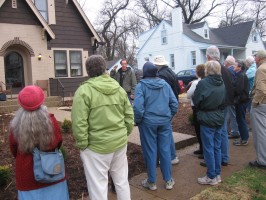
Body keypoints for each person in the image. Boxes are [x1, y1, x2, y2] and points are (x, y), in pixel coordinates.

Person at [71, 55, 134, 200]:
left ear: (88, 71)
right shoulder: (117, 88)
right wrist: (124, 134)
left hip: (96, 148)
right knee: (122, 182)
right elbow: (129, 116)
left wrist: (83, 145)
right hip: (118, 144)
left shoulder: (84, 91)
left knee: (98, 187)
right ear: (104, 68)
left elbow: (79, 123)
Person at [9, 86, 69, 200]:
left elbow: (14, 149)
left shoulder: (15, 125)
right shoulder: (51, 120)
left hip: (27, 175)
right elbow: (58, 142)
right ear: (41, 101)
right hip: (52, 171)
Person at [133, 61, 178, 190]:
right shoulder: (165, 85)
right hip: (164, 122)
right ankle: (168, 181)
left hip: (148, 123)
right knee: (165, 150)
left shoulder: (141, 86)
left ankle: (152, 182)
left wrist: (138, 120)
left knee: (150, 151)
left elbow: (138, 107)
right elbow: (174, 104)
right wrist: (169, 116)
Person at [193, 61, 226, 185]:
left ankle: (211, 176)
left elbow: (197, 101)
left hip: (207, 117)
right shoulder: (222, 82)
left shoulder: (203, 83)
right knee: (217, 147)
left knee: (209, 148)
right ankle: (217, 174)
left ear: (208, 70)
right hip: (218, 116)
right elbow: (224, 101)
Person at [201, 46, 234, 167]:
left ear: (208, 56)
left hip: (216, 107)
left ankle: (214, 159)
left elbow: (206, 91)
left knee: (213, 135)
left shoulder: (211, 70)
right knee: (223, 131)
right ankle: (224, 157)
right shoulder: (225, 69)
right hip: (225, 104)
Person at [154, 55, 180, 165]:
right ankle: (172, 156)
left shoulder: (161, 75)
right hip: (172, 103)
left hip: (166, 106)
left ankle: (171, 156)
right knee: (167, 131)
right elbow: (178, 89)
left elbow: (162, 93)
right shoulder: (172, 72)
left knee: (165, 133)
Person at [249, 50, 266, 169]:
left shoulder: (261, 69)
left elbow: (261, 90)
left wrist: (255, 103)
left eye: (255, 57)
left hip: (261, 105)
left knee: (260, 133)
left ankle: (262, 161)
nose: (254, 59)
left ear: (259, 58)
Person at [187, 64, 205, 159]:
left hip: (197, 108)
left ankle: (203, 149)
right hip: (204, 108)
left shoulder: (195, 83)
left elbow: (188, 95)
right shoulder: (206, 81)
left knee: (199, 130)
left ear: (198, 72)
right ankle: (202, 148)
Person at [232, 60, 250, 146]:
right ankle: (244, 138)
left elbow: (238, 90)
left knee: (241, 120)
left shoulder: (240, 76)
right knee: (241, 119)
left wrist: (231, 91)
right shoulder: (241, 75)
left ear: (239, 67)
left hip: (241, 101)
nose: (233, 66)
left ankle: (244, 139)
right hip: (243, 100)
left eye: (235, 65)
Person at [224, 55, 240, 139]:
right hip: (235, 96)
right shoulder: (235, 70)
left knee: (230, 114)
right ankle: (234, 130)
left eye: (225, 61)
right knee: (232, 114)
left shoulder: (228, 71)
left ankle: (234, 131)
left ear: (227, 62)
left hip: (230, 96)